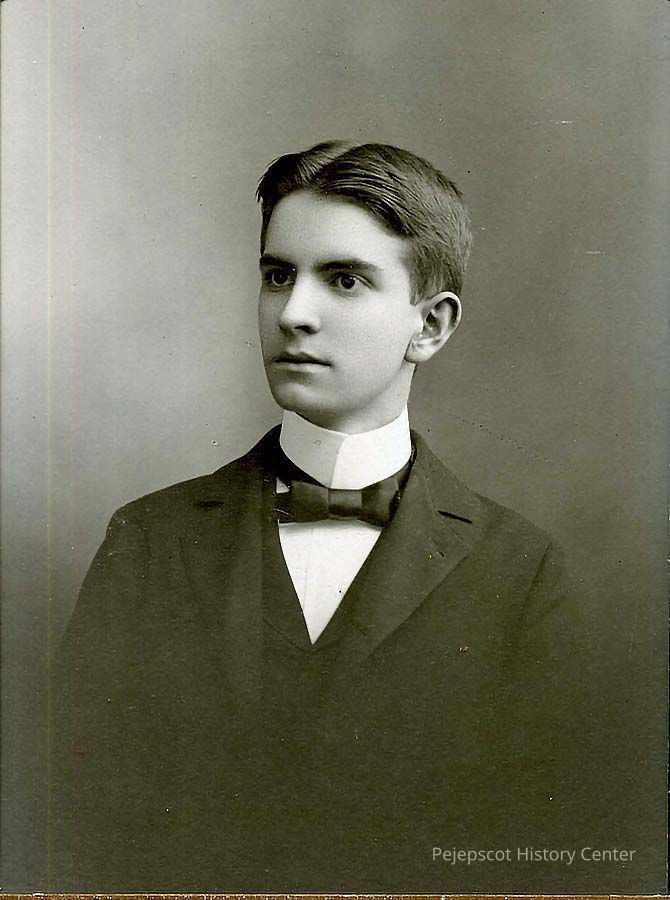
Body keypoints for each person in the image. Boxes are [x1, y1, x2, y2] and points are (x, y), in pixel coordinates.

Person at [50, 141, 612, 892]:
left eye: (344, 280)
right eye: (277, 276)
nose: (293, 314)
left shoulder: (522, 571)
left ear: (430, 326)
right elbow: (74, 821)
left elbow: (554, 848)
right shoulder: (151, 540)